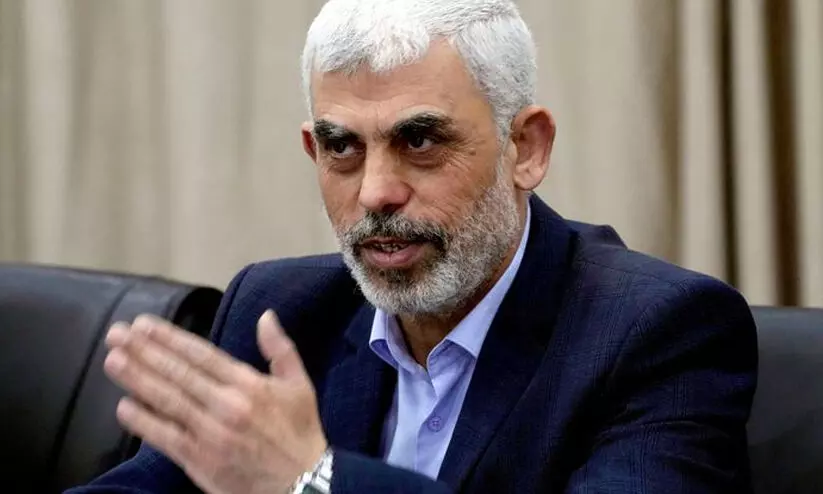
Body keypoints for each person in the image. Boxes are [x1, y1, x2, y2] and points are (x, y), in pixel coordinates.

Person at [67, 0, 758, 492]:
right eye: (342, 147)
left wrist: (314, 480)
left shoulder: (656, 332)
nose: (375, 193)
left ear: (525, 148)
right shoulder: (281, 309)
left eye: (419, 140)